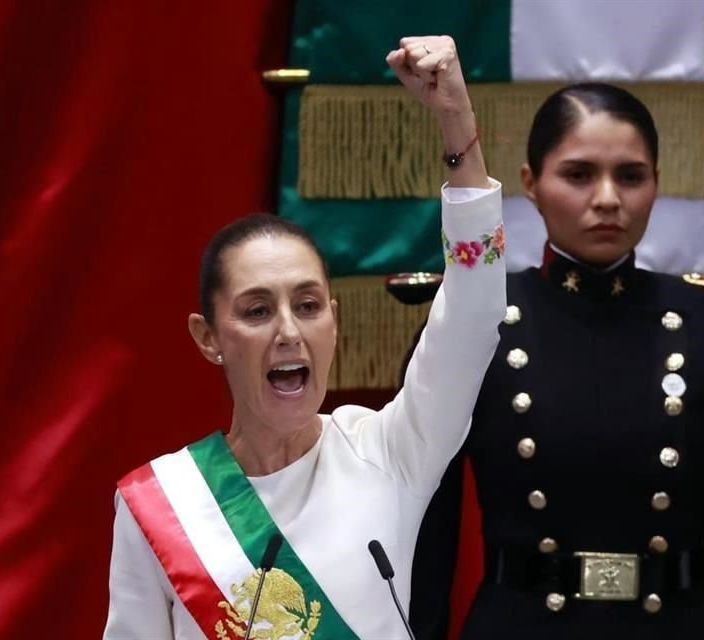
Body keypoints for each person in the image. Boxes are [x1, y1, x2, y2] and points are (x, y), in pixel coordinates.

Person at [103, 35, 506, 640]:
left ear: (334, 322)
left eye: (309, 305)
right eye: (257, 310)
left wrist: (456, 122)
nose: (290, 331)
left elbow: (475, 314)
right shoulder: (161, 504)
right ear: (208, 338)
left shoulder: (389, 451)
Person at [409, 83, 704, 639]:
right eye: (579, 175)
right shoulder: (479, 319)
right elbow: (426, 538)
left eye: (631, 176)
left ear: (657, 182)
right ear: (531, 183)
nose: (608, 198)